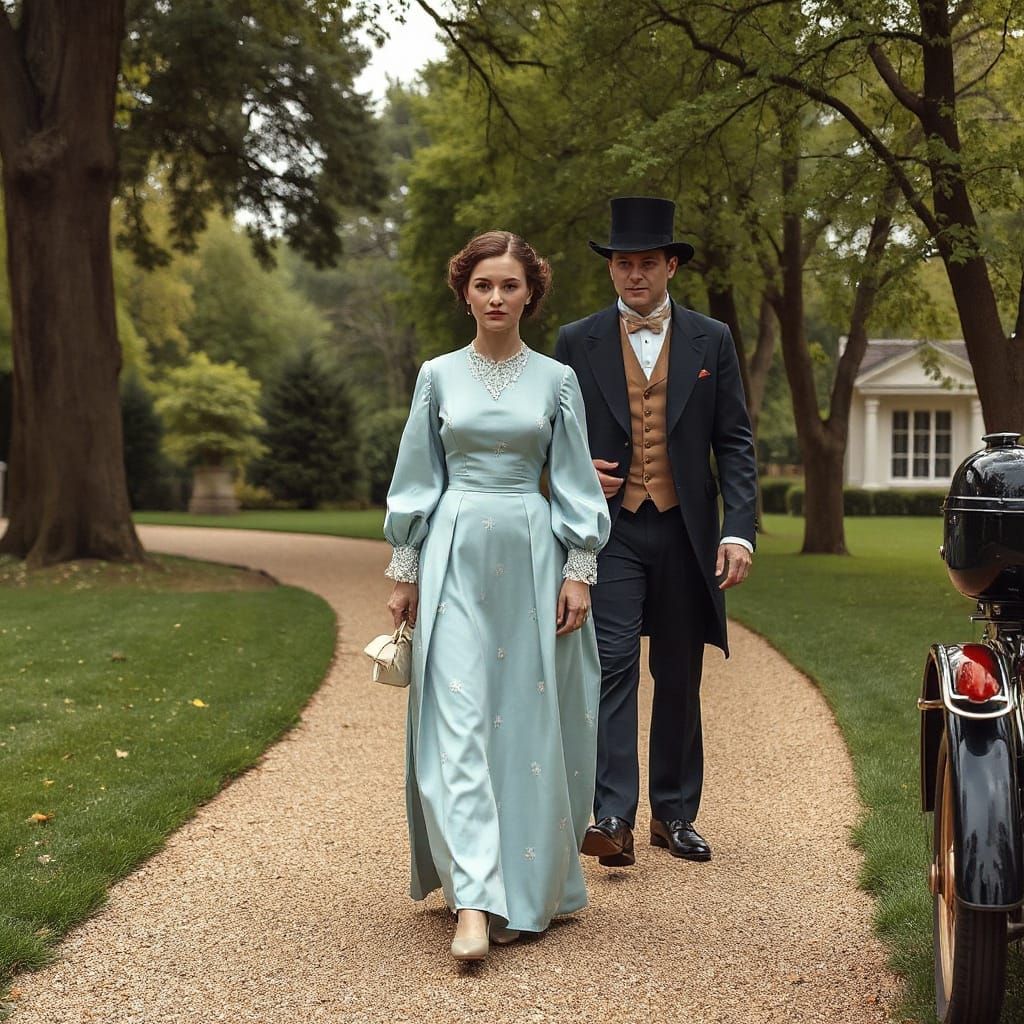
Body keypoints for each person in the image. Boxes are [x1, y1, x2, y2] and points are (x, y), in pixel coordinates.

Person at [384, 231, 610, 962]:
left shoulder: (557, 380)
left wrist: (579, 567)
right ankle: (473, 901)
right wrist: (404, 570)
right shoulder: (436, 375)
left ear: (530, 294)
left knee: (523, 726)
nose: (496, 297)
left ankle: (527, 880)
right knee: (457, 723)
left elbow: (575, 481)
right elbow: (417, 475)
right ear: (464, 291)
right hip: (453, 551)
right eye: (484, 284)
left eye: (509, 285)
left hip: (532, 556)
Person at [554, 196, 757, 867]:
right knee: (611, 666)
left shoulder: (713, 339)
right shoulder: (574, 341)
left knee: (678, 673)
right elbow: (553, 438)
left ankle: (673, 814)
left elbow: (734, 442)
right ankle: (613, 815)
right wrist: (578, 471)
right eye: (622, 263)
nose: (633, 274)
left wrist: (740, 531)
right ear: (610, 270)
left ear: (671, 265)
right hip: (608, 532)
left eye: (646, 262)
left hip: (685, 533)